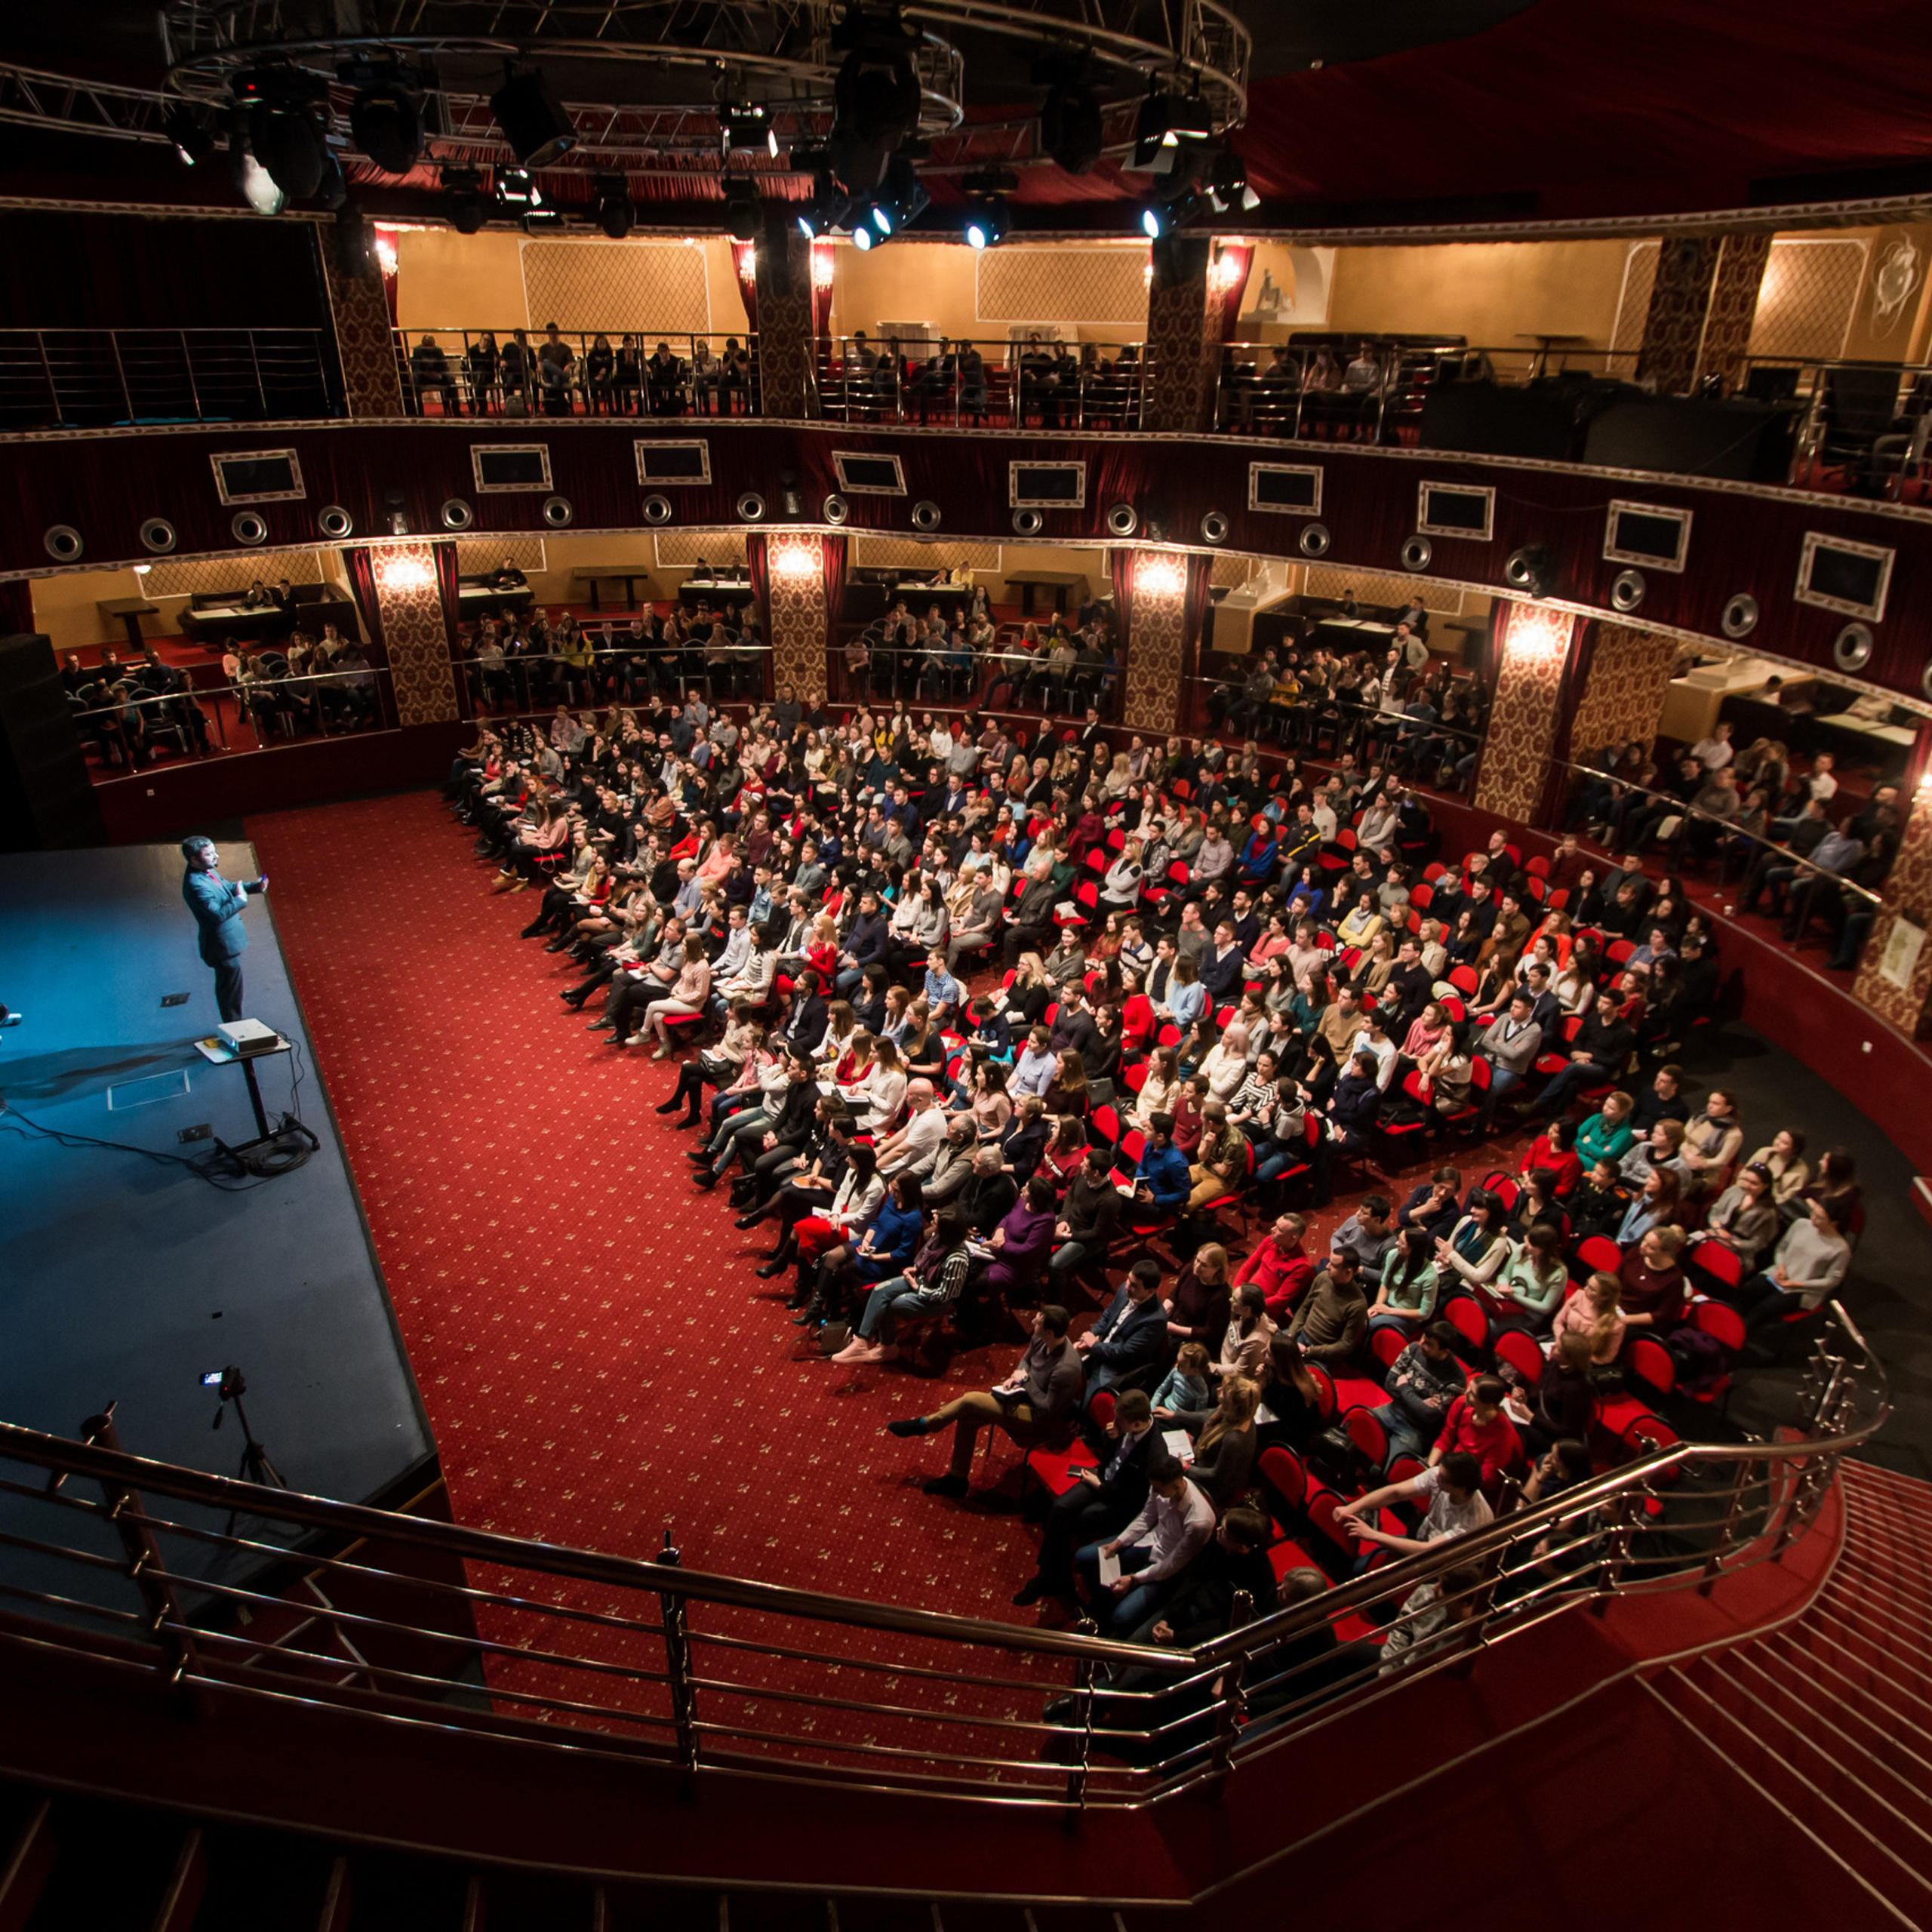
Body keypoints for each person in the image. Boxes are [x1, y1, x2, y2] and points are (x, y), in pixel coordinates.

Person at [887, 1303, 1084, 1497]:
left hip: (1037, 1419)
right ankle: (957, 1480)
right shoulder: (1041, 1338)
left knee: (970, 1400)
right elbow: (1026, 1361)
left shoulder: (1066, 1368)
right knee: (968, 1418)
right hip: (1021, 1397)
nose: (1032, 1321)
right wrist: (1015, 1377)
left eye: (1038, 1322)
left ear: (1049, 1332)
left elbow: (1048, 1409)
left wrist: (1025, 1381)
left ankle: (927, 1424)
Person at [1012, 1388, 1158, 1609]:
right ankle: (1050, 1577)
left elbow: (1132, 1497)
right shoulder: (1127, 1425)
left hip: (1118, 1501)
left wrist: (1099, 1486)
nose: (1115, 1422)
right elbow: (1111, 1452)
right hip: (1103, 1477)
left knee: (1078, 1519)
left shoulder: (1155, 1453)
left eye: (1119, 1421)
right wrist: (1110, 1436)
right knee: (1061, 1507)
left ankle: (1054, 1577)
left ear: (1137, 1424)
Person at [1073, 1451, 1217, 1635]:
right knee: (1085, 1557)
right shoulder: (1161, 1485)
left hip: (1169, 1570)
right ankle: (1100, 1608)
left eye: (1159, 1490)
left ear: (1175, 1485)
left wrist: (1134, 1579)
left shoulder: (1199, 1522)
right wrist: (1119, 1542)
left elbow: (1172, 1565)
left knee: (1121, 1616)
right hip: (1151, 1541)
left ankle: (1109, 1626)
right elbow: (1146, 1517)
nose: (1154, 1493)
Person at [180, 835, 267, 1023]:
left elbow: (227, 887)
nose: (216, 856)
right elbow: (217, 915)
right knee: (230, 992)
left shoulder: (206, 871)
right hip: (221, 946)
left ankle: (235, 1023)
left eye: (214, 852)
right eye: (209, 854)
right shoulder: (196, 885)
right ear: (194, 859)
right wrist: (241, 900)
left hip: (227, 942)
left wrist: (254, 887)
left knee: (232, 988)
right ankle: (234, 1026)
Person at [1369, 1321, 1467, 1462]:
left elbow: (1428, 1415)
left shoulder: (1457, 1379)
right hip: (1391, 1410)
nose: (1421, 1344)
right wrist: (1420, 1402)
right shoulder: (1413, 1349)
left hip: (1414, 1429)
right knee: (1353, 1431)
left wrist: (1404, 1386)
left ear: (1445, 1351)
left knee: (1387, 1465)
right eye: (1423, 1338)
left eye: (1428, 1344)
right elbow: (1389, 1384)